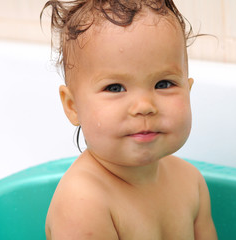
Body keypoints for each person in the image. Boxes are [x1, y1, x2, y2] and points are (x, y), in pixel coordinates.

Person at [41, 0, 217, 239]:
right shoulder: (83, 202)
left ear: (188, 89)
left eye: (164, 84)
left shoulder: (190, 182)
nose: (144, 106)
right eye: (115, 87)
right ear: (73, 106)